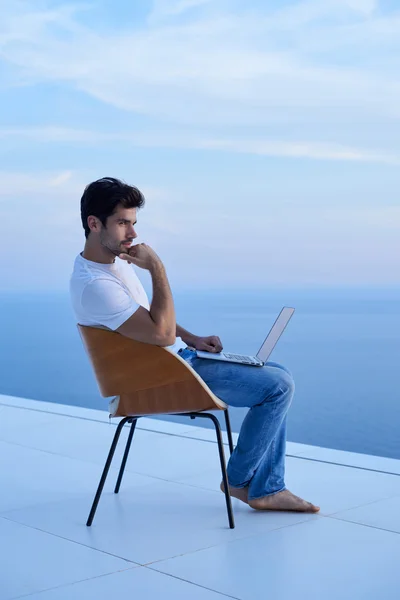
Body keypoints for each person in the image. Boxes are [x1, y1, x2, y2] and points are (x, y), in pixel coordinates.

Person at [70, 177, 319, 513]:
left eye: (133, 223)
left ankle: (265, 485)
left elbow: (142, 319)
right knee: (278, 387)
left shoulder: (109, 267)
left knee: (278, 372)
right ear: (94, 223)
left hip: (175, 361)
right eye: (122, 223)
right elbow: (160, 335)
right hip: (155, 378)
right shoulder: (95, 285)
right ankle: (246, 483)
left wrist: (191, 338)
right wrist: (158, 268)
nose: (132, 234)